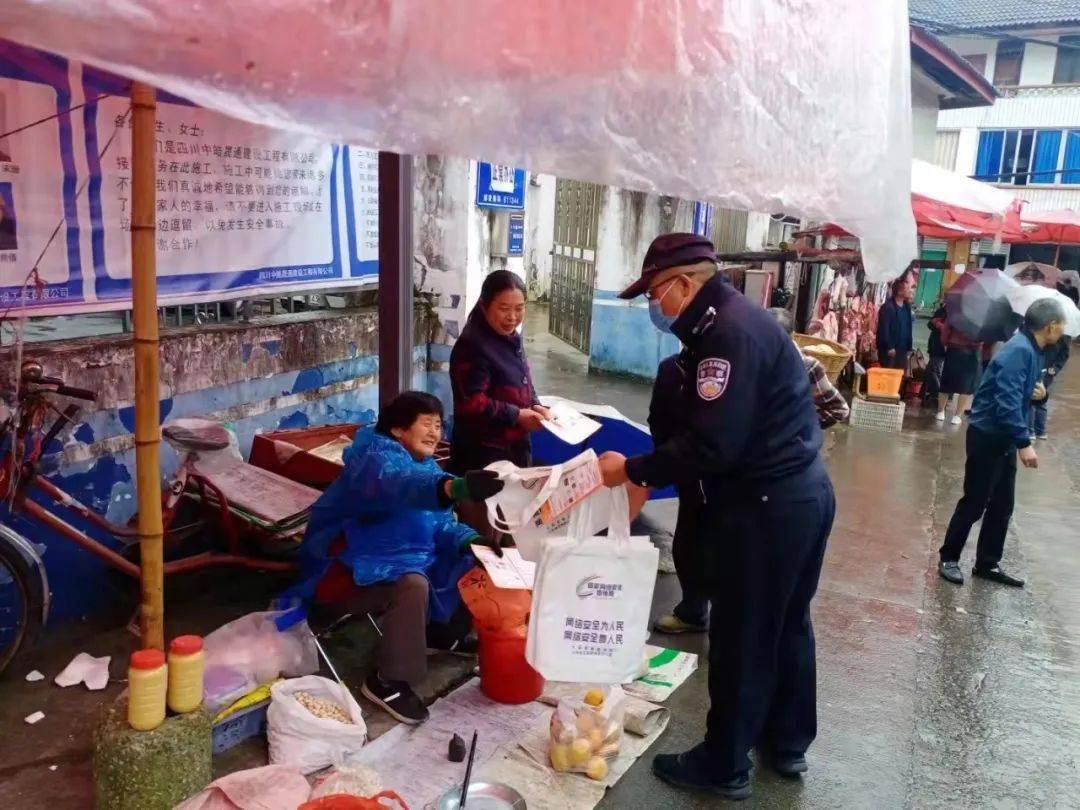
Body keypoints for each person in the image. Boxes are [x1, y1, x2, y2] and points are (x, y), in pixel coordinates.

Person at [597, 233, 836, 800]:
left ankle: (724, 763)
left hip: (767, 506)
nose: (655, 306)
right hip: (800, 495)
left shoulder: (725, 336)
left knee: (743, 633)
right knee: (787, 623)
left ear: (683, 285)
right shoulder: (738, 323)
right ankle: (786, 742)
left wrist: (632, 469)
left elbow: (713, 445)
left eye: (656, 293)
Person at [293, 392, 505, 724]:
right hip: (341, 571)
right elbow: (399, 483)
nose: (435, 432)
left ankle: (439, 633)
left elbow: (441, 526)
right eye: (427, 424)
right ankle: (388, 680)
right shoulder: (373, 462)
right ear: (397, 429)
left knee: (467, 559)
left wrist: (472, 541)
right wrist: (453, 488)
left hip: (391, 563)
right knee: (412, 584)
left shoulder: (427, 467)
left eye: (438, 425)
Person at [651, 309, 847, 638]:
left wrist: (794, 431)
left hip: (754, 484)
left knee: (746, 569)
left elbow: (837, 408)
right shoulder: (682, 368)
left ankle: (736, 623)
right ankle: (695, 609)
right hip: (699, 473)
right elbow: (667, 421)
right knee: (689, 542)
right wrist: (661, 464)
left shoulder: (799, 368)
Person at [937, 299, 1066, 589]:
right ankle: (949, 557)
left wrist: (1042, 395)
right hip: (988, 435)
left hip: (1004, 436)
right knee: (975, 502)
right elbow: (1006, 400)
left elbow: (1023, 393)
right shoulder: (1019, 350)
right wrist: (1024, 442)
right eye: (1061, 326)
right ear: (1050, 326)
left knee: (1002, 505)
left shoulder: (1033, 350)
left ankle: (987, 563)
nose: (1062, 331)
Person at [449, 270, 550, 535]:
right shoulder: (472, 346)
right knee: (486, 534)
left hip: (514, 450)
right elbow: (471, 403)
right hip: (482, 455)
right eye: (504, 308)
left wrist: (536, 404)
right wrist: (517, 415)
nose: (512, 317)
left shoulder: (510, 338)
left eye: (519, 308)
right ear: (484, 305)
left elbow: (523, 379)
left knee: (514, 529)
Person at [932, 306, 981, 426]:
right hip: (972, 352)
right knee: (966, 385)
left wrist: (946, 342)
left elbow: (945, 331)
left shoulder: (956, 311)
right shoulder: (982, 315)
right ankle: (957, 415)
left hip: (954, 349)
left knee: (946, 381)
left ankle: (940, 412)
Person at [1029, 334, 1070, 440]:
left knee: (1035, 400)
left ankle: (1034, 432)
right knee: (1036, 400)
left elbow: (1064, 355)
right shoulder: (1039, 330)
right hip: (1036, 367)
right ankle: (1037, 431)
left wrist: (1055, 368)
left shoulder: (1063, 337)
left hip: (1045, 371)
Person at [876, 275, 914, 370]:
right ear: (899, 289)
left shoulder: (906, 307)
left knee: (900, 375)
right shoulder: (888, 307)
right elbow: (883, 329)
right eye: (908, 285)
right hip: (890, 352)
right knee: (888, 375)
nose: (911, 290)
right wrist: (889, 347)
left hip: (902, 351)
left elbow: (908, 328)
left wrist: (909, 347)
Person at [922, 300, 947, 407]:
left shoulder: (949, 312)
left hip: (940, 347)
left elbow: (932, 325)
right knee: (932, 370)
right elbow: (930, 324)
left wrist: (938, 325)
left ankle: (938, 395)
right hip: (936, 346)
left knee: (934, 370)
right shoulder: (942, 311)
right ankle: (930, 394)